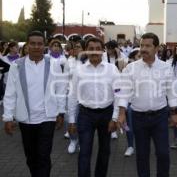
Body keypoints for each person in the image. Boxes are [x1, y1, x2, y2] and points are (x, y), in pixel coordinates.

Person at [2, 31, 67, 177]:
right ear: (27, 45)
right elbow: (10, 93)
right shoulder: (17, 66)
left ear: (44, 46)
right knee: (31, 158)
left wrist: (61, 112)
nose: (36, 47)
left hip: (47, 118)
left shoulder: (53, 64)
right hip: (26, 119)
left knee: (44, 157)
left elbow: (60, 88)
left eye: (40, 44)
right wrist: (8, 117)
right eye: (33, 43)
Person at [118, 33, 177, 177]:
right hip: (138, 117)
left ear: (157, 48)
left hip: (160, 117)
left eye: (147, 46)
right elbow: (124, 92)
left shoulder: (165, 67)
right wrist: (121, 114)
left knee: (163, 154)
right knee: (142, 155)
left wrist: (175, 113)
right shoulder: (131, 68)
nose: (143, 49)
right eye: (141, 45)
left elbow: (170, 91)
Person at [68, 37, 121, 177]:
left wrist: (115, 118)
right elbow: (73, 96)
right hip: (85, 115)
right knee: (84, 151)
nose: (94, 51)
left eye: (97, 48)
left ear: (102, 50)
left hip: (107, 114)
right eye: (91, 48)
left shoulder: (112, 69)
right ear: (86, 50)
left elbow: (118, 95)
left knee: (105, 151)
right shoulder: (79, 71)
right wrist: (72, 120)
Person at [65, 41, 86, 154]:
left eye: (79, 47)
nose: (76, 49)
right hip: (72, 93)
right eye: (75, 47)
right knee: (70, 118)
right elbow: (64, 77)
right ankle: (73, 140)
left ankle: (82, 142)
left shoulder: (89, 62)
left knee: (83, 122)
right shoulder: (70, 61)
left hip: (85, 97)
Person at [123, 48, 141, 157]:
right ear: (133, 58)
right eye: (138, 56)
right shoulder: (127, 70)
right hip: (129, 103)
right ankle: (130, 146)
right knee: (129, 126)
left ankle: (140, 146)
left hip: (142, 104)